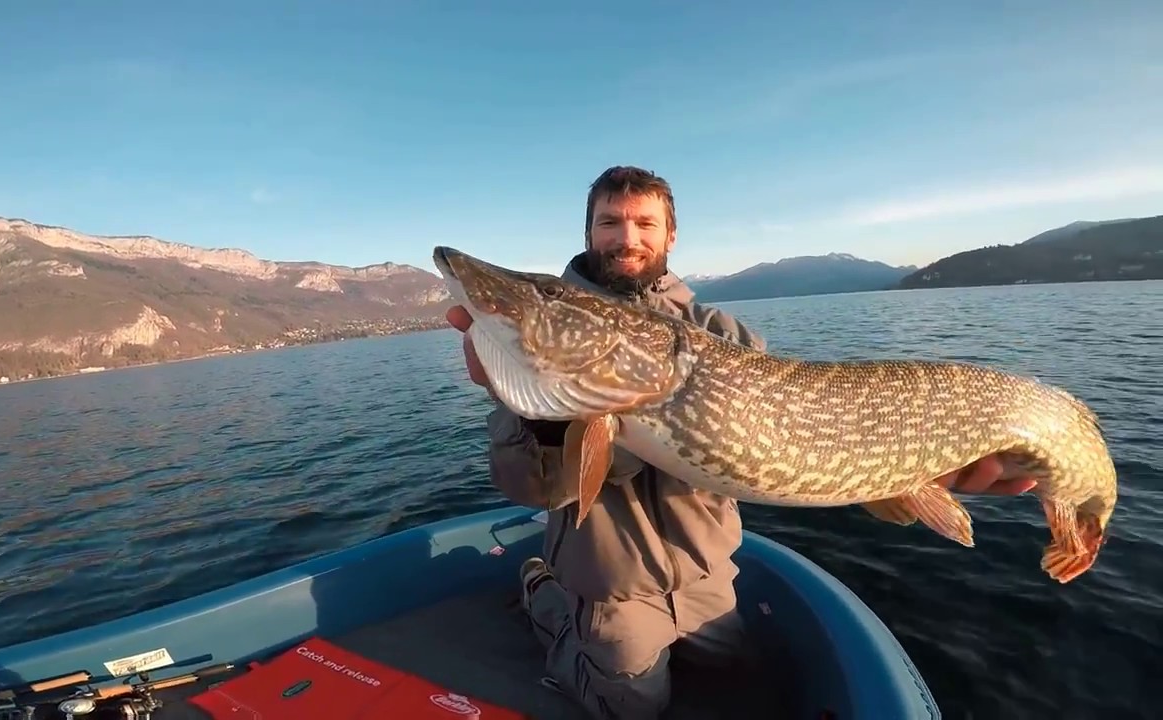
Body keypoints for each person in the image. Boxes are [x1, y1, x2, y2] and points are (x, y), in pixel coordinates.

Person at [444, 165, 1037, 719]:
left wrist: (922, 462)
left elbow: (800, 438)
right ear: (590, 232)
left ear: (670, 236)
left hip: (708, 577)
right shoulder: (549, 361)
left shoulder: (723, 335)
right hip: (612, 586)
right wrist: (541, 412)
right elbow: (529, 487)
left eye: (645, 223)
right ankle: (543, 593)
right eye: (610, 222)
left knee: (744, 689)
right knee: (630, 706)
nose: (627, 236)